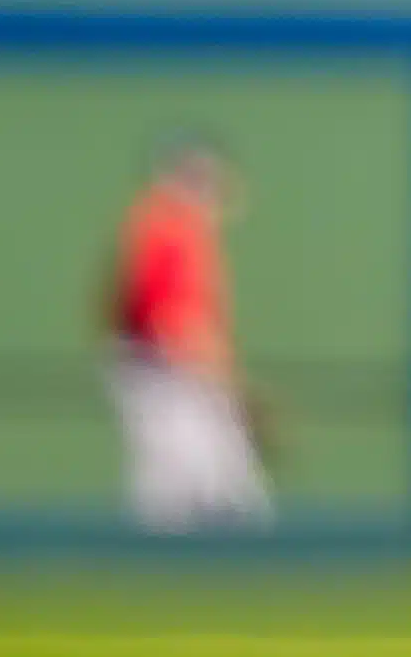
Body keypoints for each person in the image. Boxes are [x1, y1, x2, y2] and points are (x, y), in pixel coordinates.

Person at [107, 140, 273, 530]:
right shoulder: (170, 229)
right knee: (200, 485)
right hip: (163, 372)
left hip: (163, 369)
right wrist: (230, 390)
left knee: (187, 483)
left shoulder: (165, 225)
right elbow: (174, 323)